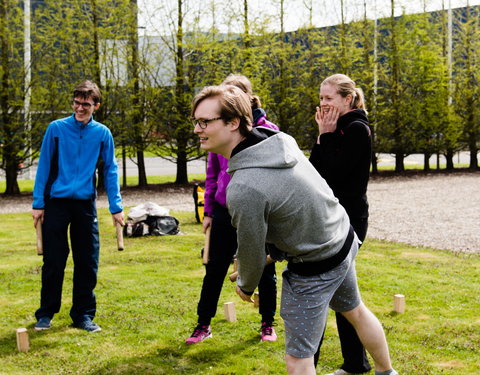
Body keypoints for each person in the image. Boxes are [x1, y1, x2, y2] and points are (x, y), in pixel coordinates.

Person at [191, 84, 398, 375]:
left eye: (205, 122)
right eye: (196, 121)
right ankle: (386, 372)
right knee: (356, 311)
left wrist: (246, 284)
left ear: (233, 122)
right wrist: (268, 257)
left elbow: (251, 248)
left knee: (298, 358)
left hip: (317, 263)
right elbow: (295, 210)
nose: (197, 129)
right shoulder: (278, 141)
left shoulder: (244, 187)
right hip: (342, 238)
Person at [186, 74, 279, 345]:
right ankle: (203, 324)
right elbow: (213, 175)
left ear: (247, 100)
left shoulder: (268, 130)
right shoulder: (219, 135)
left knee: (264, 268)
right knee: (215, 269)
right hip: (227, 211)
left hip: (258, 211)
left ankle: (267, 323)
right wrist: (210, 211)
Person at [32, 80, 124, 333]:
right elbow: (44, 167)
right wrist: (38, 203)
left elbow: (110, 170)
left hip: (84, 204)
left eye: (86, 104)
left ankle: (83, 315)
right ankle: (46, 313)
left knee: (87, 261)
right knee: (54, 260)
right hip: (56, 203)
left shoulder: (102, 133)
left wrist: (116, 207)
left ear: (96, 105)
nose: (80, 108)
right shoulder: (56, 129)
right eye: (76, 103)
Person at [309, 74, 372, 375]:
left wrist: (327, 135)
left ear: (347, 99)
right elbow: (312, 174)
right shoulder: (333, 130)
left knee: (328, 293)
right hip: (327, 219)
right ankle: (355, 365)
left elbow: (334, 174)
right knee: (341, 295)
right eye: (321, 98)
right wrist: (324, 136)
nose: (323, 104)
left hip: (349, 221)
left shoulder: (357, 129)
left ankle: (319, 364)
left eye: (329, 98)